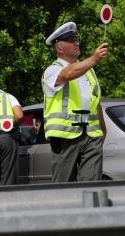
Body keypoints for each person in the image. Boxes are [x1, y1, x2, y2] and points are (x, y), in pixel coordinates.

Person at [42, 21, 108, 183]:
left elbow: (96, 103)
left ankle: (91, 209)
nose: (76, 42)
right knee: (64, 188)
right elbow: (67, 74)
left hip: (92, 136)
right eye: (71, 40)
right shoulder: (52, 70)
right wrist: (93, 59)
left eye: (76, 39)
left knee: (92, 185)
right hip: (65, 137)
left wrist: (102, 132)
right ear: (59, 48)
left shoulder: (88, 71)